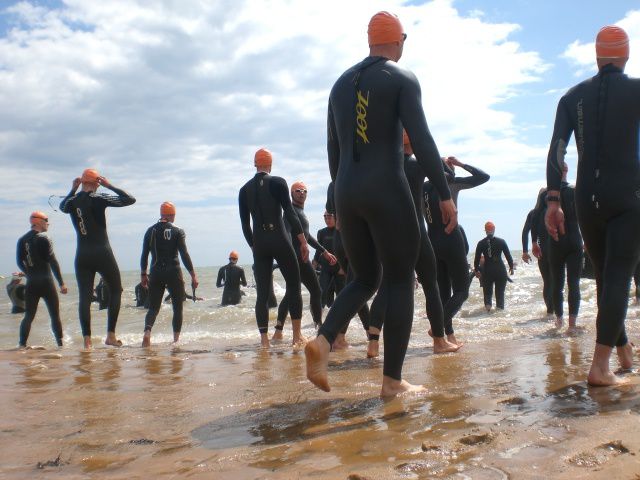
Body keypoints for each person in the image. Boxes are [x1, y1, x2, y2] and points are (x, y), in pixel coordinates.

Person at [305, 11, 457, 397]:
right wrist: (443, 193)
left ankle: (322, 342)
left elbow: (332, 147)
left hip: (346, 190)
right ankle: (392, 381)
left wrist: (342, 195)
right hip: (386, 186)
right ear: (398, 40)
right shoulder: (401, 78)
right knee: (400, 278)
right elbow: (421, 140)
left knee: (363, 279)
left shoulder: (340, 85)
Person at [545, 26, 640, 386]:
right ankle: (600, 368)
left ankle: (624, 351)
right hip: (630, 194)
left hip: (586, 198)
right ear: (626, 55)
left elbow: (557, 150)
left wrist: (554, 200)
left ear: (598, 57)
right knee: (618, 275)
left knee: (604, 275)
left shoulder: (572, 98)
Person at [368, 132, 459, 358]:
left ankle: (373, 343)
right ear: (412, 144)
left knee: (388, 286)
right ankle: (439, 341)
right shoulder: (418, 165)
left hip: (391, 232)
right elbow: (448, 175)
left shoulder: (386, 166)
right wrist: (434, 157)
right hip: (416, 230)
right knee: (431, 286)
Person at [238, 148, 309, 348]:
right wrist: (303, 241)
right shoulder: (278, 182)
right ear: (269, 165)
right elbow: (291, 214)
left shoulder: (244, 190)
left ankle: (264, 341)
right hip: (279, 238)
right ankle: (296, 337)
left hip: (260, 242)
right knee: (294, 285)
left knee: (262, 293)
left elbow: (245, 225)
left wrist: (254, 245)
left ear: (255, 164)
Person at [60, 168, 135, 349]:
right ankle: (110, 336)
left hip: (82, 255)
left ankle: (87, 342)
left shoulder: (72, 201)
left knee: (85, 297)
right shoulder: (98, 198)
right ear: (96, 182)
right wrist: (110, 186)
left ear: (82, 182)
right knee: (116, 290)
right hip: (102, 252)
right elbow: (129, 200)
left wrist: (73, 190)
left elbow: (62, 207)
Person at [273, 181, 337, 338]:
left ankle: (278, 331)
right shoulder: (291, 212)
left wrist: (324, 251)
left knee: (291, 293)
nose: (302, 193)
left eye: (304, 191)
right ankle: (319, 328)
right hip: (297, 257)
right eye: (298, 191)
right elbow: (286, 232)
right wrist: (290, 256)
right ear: (291, 193)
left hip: (296, 257)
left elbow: (306, 237)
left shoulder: (299, 212)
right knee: (316, 290)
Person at [423, 158, 471, 346]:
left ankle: (448, 338)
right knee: (462, 290)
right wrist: (460, 164)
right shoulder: (449, 181)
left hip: (431, 242)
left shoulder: (423, 186)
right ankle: (438, 327)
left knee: (443, 294)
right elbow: (484, 177)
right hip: (451, 238)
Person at [140, 202, 198, 347]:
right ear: (171, 215)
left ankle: (147, 332)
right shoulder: (178, 231)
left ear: (161, 214)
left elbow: (144, 255)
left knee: (153, 307)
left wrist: (143, 274)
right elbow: (184, 254)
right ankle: (176, 340)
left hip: (156, 272)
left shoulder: (150, 230)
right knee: (177, 307)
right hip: (174, 271)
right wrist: (193, 275)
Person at [536, 163, 583, 330]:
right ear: (566, 171)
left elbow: (535, 218)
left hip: (555, 242)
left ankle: (559, 322)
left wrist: (534, 243)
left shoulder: (545, 195)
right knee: (574, 283)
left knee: (557, 283)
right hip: (574, 240)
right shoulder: (575, 190)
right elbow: (585, 217)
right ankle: (572, 325)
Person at [16, 211, 68, 347]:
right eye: (46, 220)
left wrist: (28, 274)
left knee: (28, 316)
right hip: (46, 282)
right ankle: (60, 345)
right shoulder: (44, 238)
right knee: (54, 316)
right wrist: (61, 283)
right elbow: (53, 261)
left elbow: (19, 262)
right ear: (37, 221)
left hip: (32, 283)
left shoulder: (22, 240)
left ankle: (21, 345)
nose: (48, 223)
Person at [474, 222, 513, 311]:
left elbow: (476, 259)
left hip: (487, 271)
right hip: (500, 270)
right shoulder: (501, 242)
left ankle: (488, 313)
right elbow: (508, 256)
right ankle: (499, 316)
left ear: (485, 231)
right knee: (500, 294)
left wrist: (476, 270)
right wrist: (511, 267)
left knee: (487, 294)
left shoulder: (481, 243)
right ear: (494, 230)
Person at [522, 202, 553, 316]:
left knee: (547, 282)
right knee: (557, 281)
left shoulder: (533, 213)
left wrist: (525, 251)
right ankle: (557, 313)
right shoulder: (556, 209)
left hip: (541, 251)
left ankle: (550, 312)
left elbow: (525, 231)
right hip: (557, 249)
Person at [314, 211, 343, 309]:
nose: (327, 220)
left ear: (335, 217)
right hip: (325, 268)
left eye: (329, 217)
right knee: (322, 292)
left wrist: (344, 267)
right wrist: (314, 264)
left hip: (340, 269)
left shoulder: (341, 231)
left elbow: (348, 250)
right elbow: (319, 250)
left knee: (341, 295)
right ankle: (319, 319)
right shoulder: (321, 232)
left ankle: (340, 319)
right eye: (325, 217)